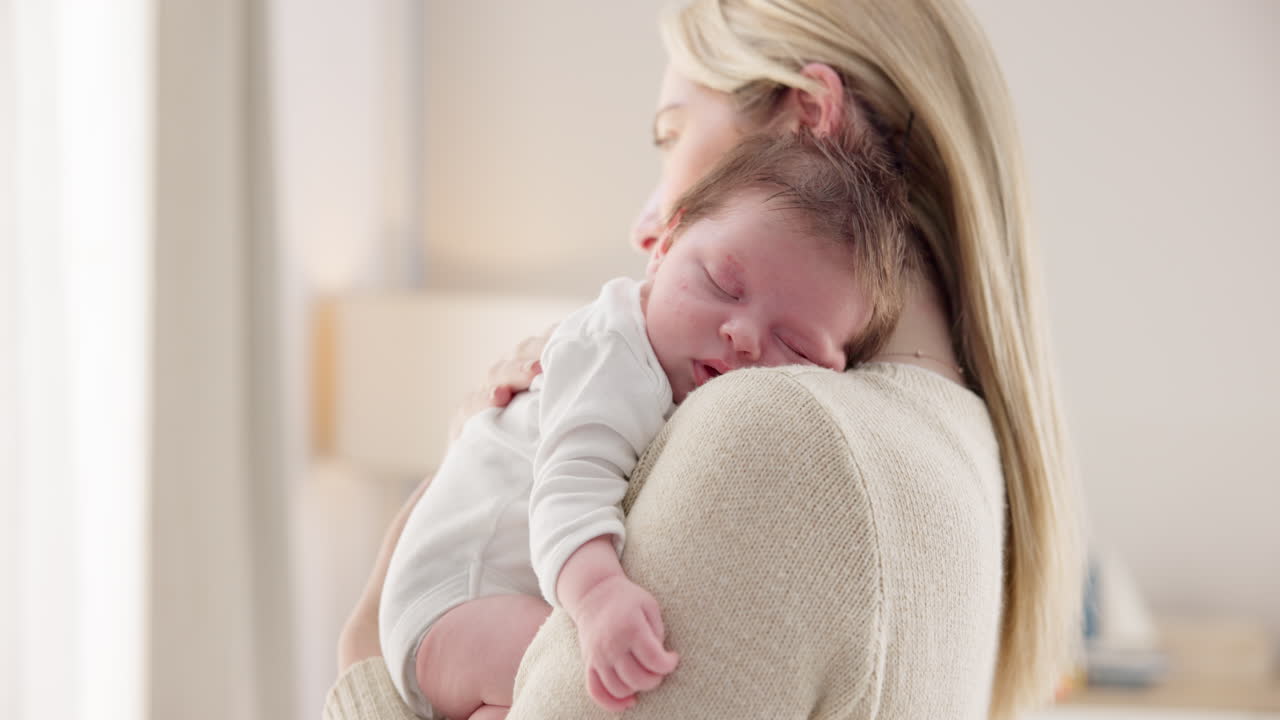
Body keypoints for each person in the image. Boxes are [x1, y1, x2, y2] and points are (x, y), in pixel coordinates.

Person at [329, 1, 1083, 719]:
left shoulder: (782, 433)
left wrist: (365, 656)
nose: (648, 221)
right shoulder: (956, 440)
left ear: (809, 118)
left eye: (671, 134)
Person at [379, 131, 913, 720]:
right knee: (581, 675)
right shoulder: (613, 352)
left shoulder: (721, 397)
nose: (743, 335)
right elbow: (570, 485)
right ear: (664, 245)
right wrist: (600, 595)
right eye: (719, 284)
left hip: (483, 607)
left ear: (836, 370)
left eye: (795, 344)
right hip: (455, 598)